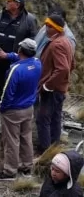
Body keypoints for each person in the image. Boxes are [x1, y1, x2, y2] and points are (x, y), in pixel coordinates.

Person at [0, 38, 42, 181]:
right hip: (29, 108)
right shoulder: (37, 63)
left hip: (13, 110)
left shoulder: (15, 70)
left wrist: (2, 108)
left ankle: (9, 171)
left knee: (11, 141)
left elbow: (7, 92)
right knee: (26, 137)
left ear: (20, 50)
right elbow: (22, 58)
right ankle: (27, 167)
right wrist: (8, 56)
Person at [0, 0, 38, 100]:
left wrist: (21, 55)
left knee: (11, 83)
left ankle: (8, 105)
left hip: (16, 60)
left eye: (10, 1)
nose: (6, 2)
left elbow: (33, 40)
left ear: (17, 5)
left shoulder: (29, 20)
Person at [37, 11, 75, 154]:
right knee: (55, 118)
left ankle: (44, 152)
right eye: (46, 25)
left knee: (43, 119)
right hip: (60, 89)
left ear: (57, 28)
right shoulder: (66, 41)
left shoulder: (57, 44)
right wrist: (63, 82)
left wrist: (48, 85)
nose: (46, 28)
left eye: (49, 26)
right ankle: (54, 147)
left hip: (52, 91)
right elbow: (72, 65)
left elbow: (63, 68)